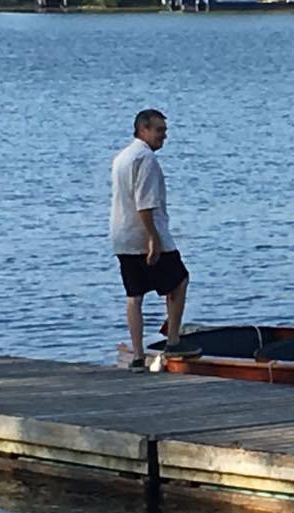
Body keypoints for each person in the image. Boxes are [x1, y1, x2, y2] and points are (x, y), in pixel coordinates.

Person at [110, 109, 200, 373]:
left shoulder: (122, 157)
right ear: (143, 130)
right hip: (144, 234)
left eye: (165, 131)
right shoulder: (145, 159)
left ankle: (138, 354)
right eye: (159, 130)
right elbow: (145, 204)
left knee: (134, 294)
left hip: (122, 235)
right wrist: (154, 240)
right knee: (179, 280)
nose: (164, 136)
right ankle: (172, 341)